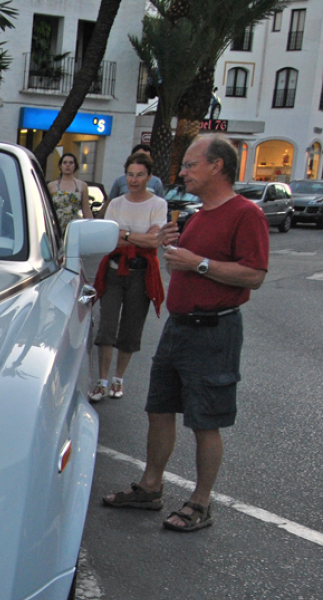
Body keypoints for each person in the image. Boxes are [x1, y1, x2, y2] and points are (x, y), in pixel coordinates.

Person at [103, 135, 269, 532]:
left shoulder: (247, 214)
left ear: (217, 167)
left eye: (192, 164)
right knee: (159, 409)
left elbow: (255, 275)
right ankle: (150, 487)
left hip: (214, 329)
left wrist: (199, 264)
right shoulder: (195, 215)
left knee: (204, 420)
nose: (183, 172)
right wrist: (170, 245)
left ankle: (201, 502)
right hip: (178, 328)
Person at [88, 151, 168, 403]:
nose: (134, 180)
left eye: (140, 175)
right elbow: (110, 238)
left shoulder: (158, 204)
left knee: (131, 328)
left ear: (149, 177)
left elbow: (156, 240)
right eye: (130, 174)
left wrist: (126, 235)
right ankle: (101, 381)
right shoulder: (116, 204)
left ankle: (118, 379)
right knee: (107, 326)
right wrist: (137, 236)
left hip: (141, 273)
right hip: (114, 270)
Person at [48, 152, 93, 233]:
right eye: (65, 162)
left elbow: (86, 210)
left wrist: (91, 228)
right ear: (60, 166)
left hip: (74, 226)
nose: (67, 165)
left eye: (71, 163)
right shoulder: (52, 186)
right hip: (56, 226)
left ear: (75, 166)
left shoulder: (82, 186)